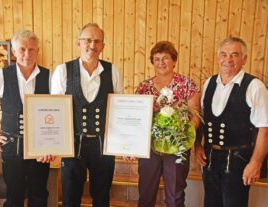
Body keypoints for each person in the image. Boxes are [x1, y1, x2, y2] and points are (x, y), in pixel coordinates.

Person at [0, 30, 54, 207]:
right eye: (22, 49)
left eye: (32, 49)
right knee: (14, 197)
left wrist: (52, 145)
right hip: (11, 149)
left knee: (39, 196)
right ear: (14, 52)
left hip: (41, 150)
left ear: (37, 51)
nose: (27, 54)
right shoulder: (0, 76)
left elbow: (59, 114)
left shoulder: (50, 78)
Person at [51, 23, 123, 207]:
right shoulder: (63, 70)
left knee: (102, 196)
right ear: (78, 43)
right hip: (72, 144)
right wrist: (51, 143)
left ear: (103, 46)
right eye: (88, 40)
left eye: (97, 41)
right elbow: (54, 111)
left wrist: (124, 145)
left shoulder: (113, 71)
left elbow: (119, 110)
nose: (92, 45)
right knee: (70, 196)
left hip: (103, 145)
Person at [195, 37, 268, 207]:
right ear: (218, 57)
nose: (228, 60)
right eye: (224, 54)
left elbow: (264, 129)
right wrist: (198, 146)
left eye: (235, 55)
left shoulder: (255, 86)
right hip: (210, 159)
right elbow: (201, 118)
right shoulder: (209, 83)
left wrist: (255, 163)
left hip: (239, 161)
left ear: (244, 59)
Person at [134, 41, 201, 207]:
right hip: (149, 148)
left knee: (175, 197)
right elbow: (136, 119)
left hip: (176, 147)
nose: (161, 63)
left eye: (165, 58)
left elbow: (195, 117)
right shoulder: (144, 87)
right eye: (156, 59)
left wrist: (179, 134)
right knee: (145, 195)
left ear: (174, 60)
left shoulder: (187, 85)